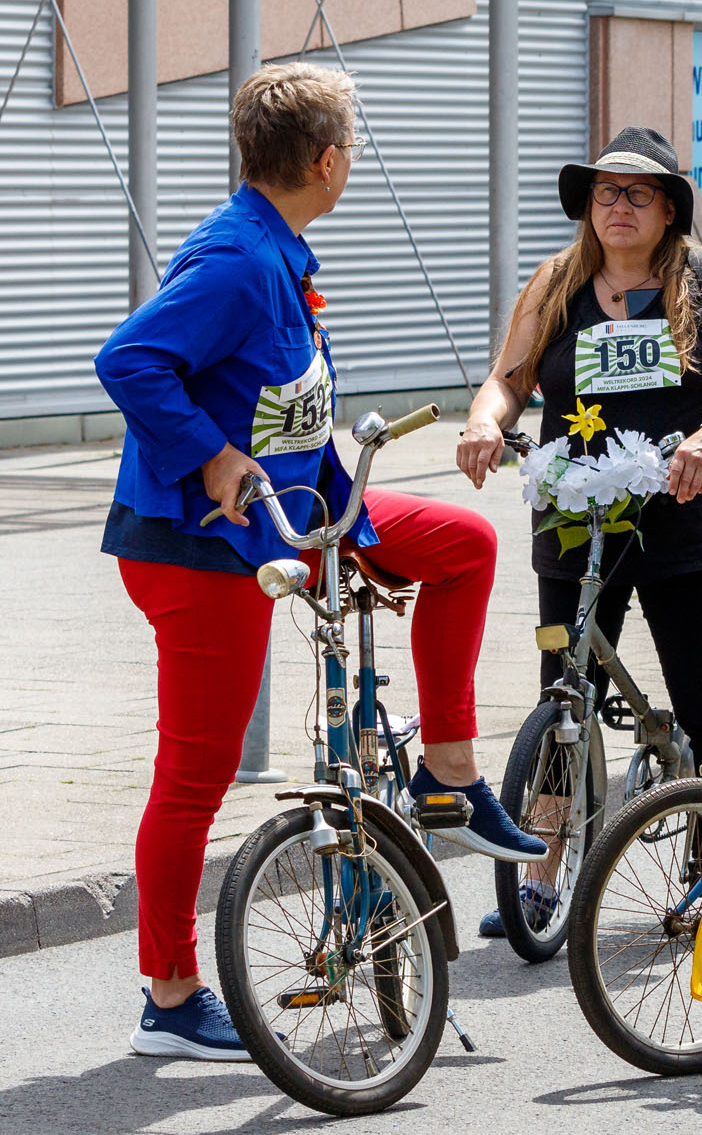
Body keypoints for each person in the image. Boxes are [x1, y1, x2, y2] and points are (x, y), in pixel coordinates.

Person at [95, 62, 544, 1062]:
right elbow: (128, 360)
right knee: (194, 776)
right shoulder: (240, 260)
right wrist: (210, 456)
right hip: (206, 549)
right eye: (356, 149)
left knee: (464, 545)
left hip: (297, 514)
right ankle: (168, 1000)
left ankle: (449, 775)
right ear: (328, 160)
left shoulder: (274, 245)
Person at [458, 126, 702, 930]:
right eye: (606, 192)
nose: (619, 206)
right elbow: (507, 380)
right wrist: (485, 423)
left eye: (637, 193)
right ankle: (545, 870)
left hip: (685, 514)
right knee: (566, 696)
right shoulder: (557, 283)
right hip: (576, 519)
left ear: (669, 209)